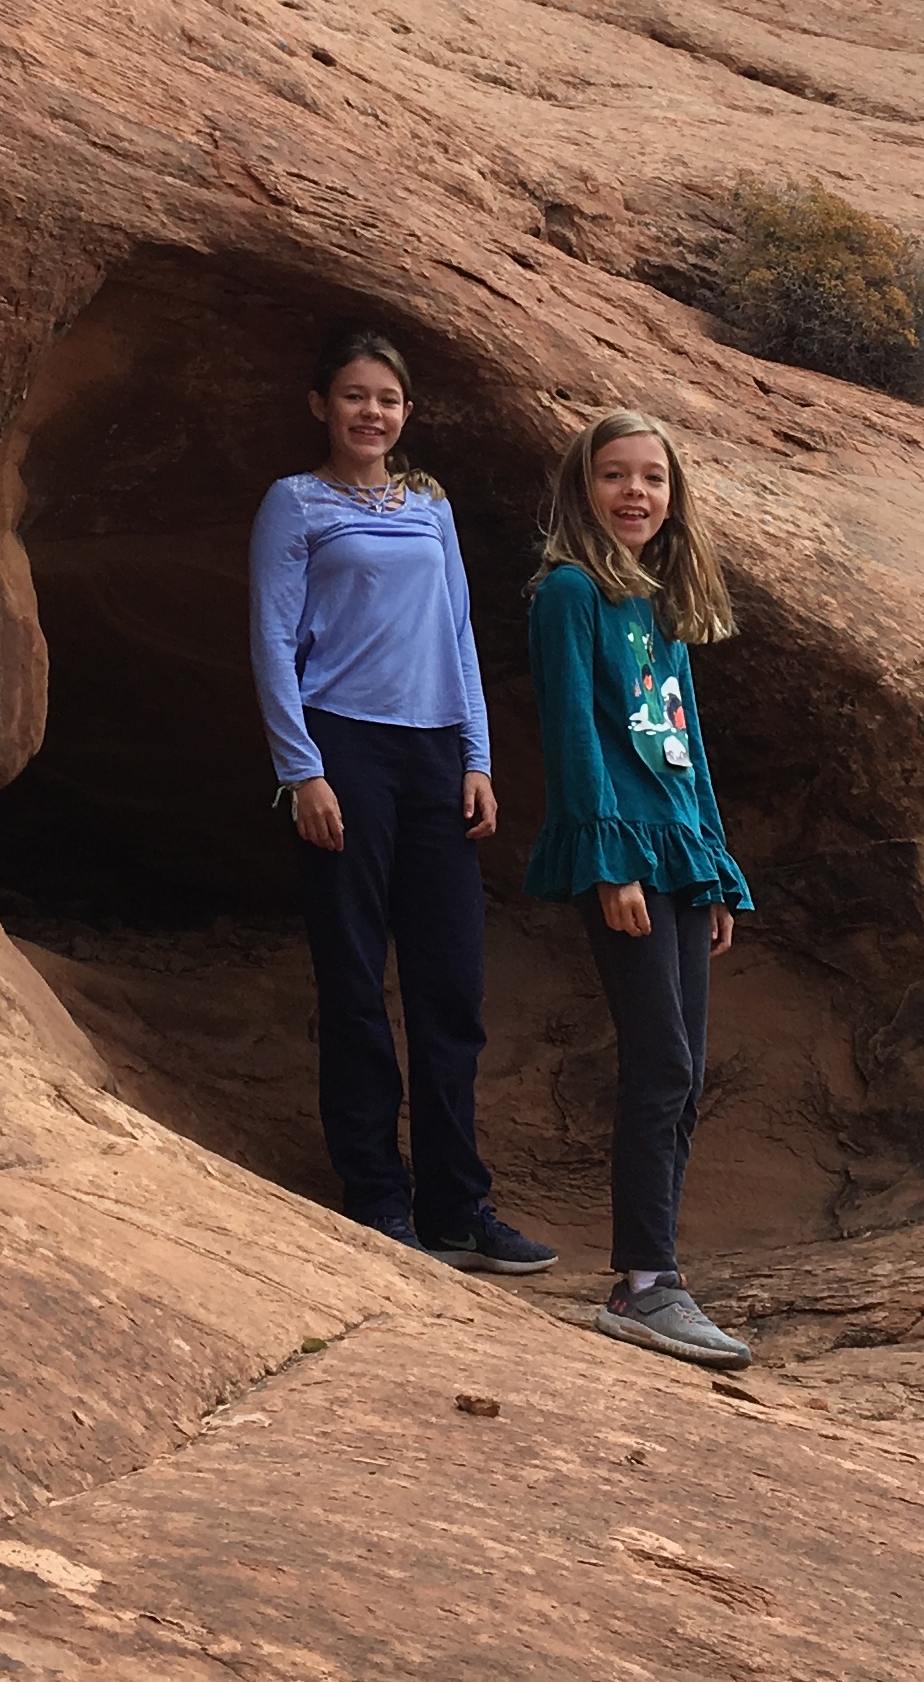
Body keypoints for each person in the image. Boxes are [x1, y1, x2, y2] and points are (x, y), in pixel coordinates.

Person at [249, 330, 558, 1275]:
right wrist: (302, 771)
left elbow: (458, 632)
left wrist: (477, 758)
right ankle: (378, 1196)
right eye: (354, 396)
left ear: (407, 413)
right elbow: (271, 640)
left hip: (434, 754)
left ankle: (458, 1206)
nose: (371, 413)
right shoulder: (295, 502)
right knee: (353, 978)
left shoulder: (429, 503)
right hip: (342, 745)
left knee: (449, 985)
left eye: (386, 399)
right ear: (321, 406)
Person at [523, 407, 754, 1368]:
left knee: (685, 1072)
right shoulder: (569, 593)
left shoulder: (659, 604)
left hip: (677, 856)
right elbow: (573, 733)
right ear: (583, 489)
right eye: (614, 475)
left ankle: (659, 1276)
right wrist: (610, 859)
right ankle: (644, 1284)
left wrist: (717, 868)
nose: (635, 493)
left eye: (652, 478)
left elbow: (685, 743)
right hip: (619, 853)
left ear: (673, 496)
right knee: (659, 1062)